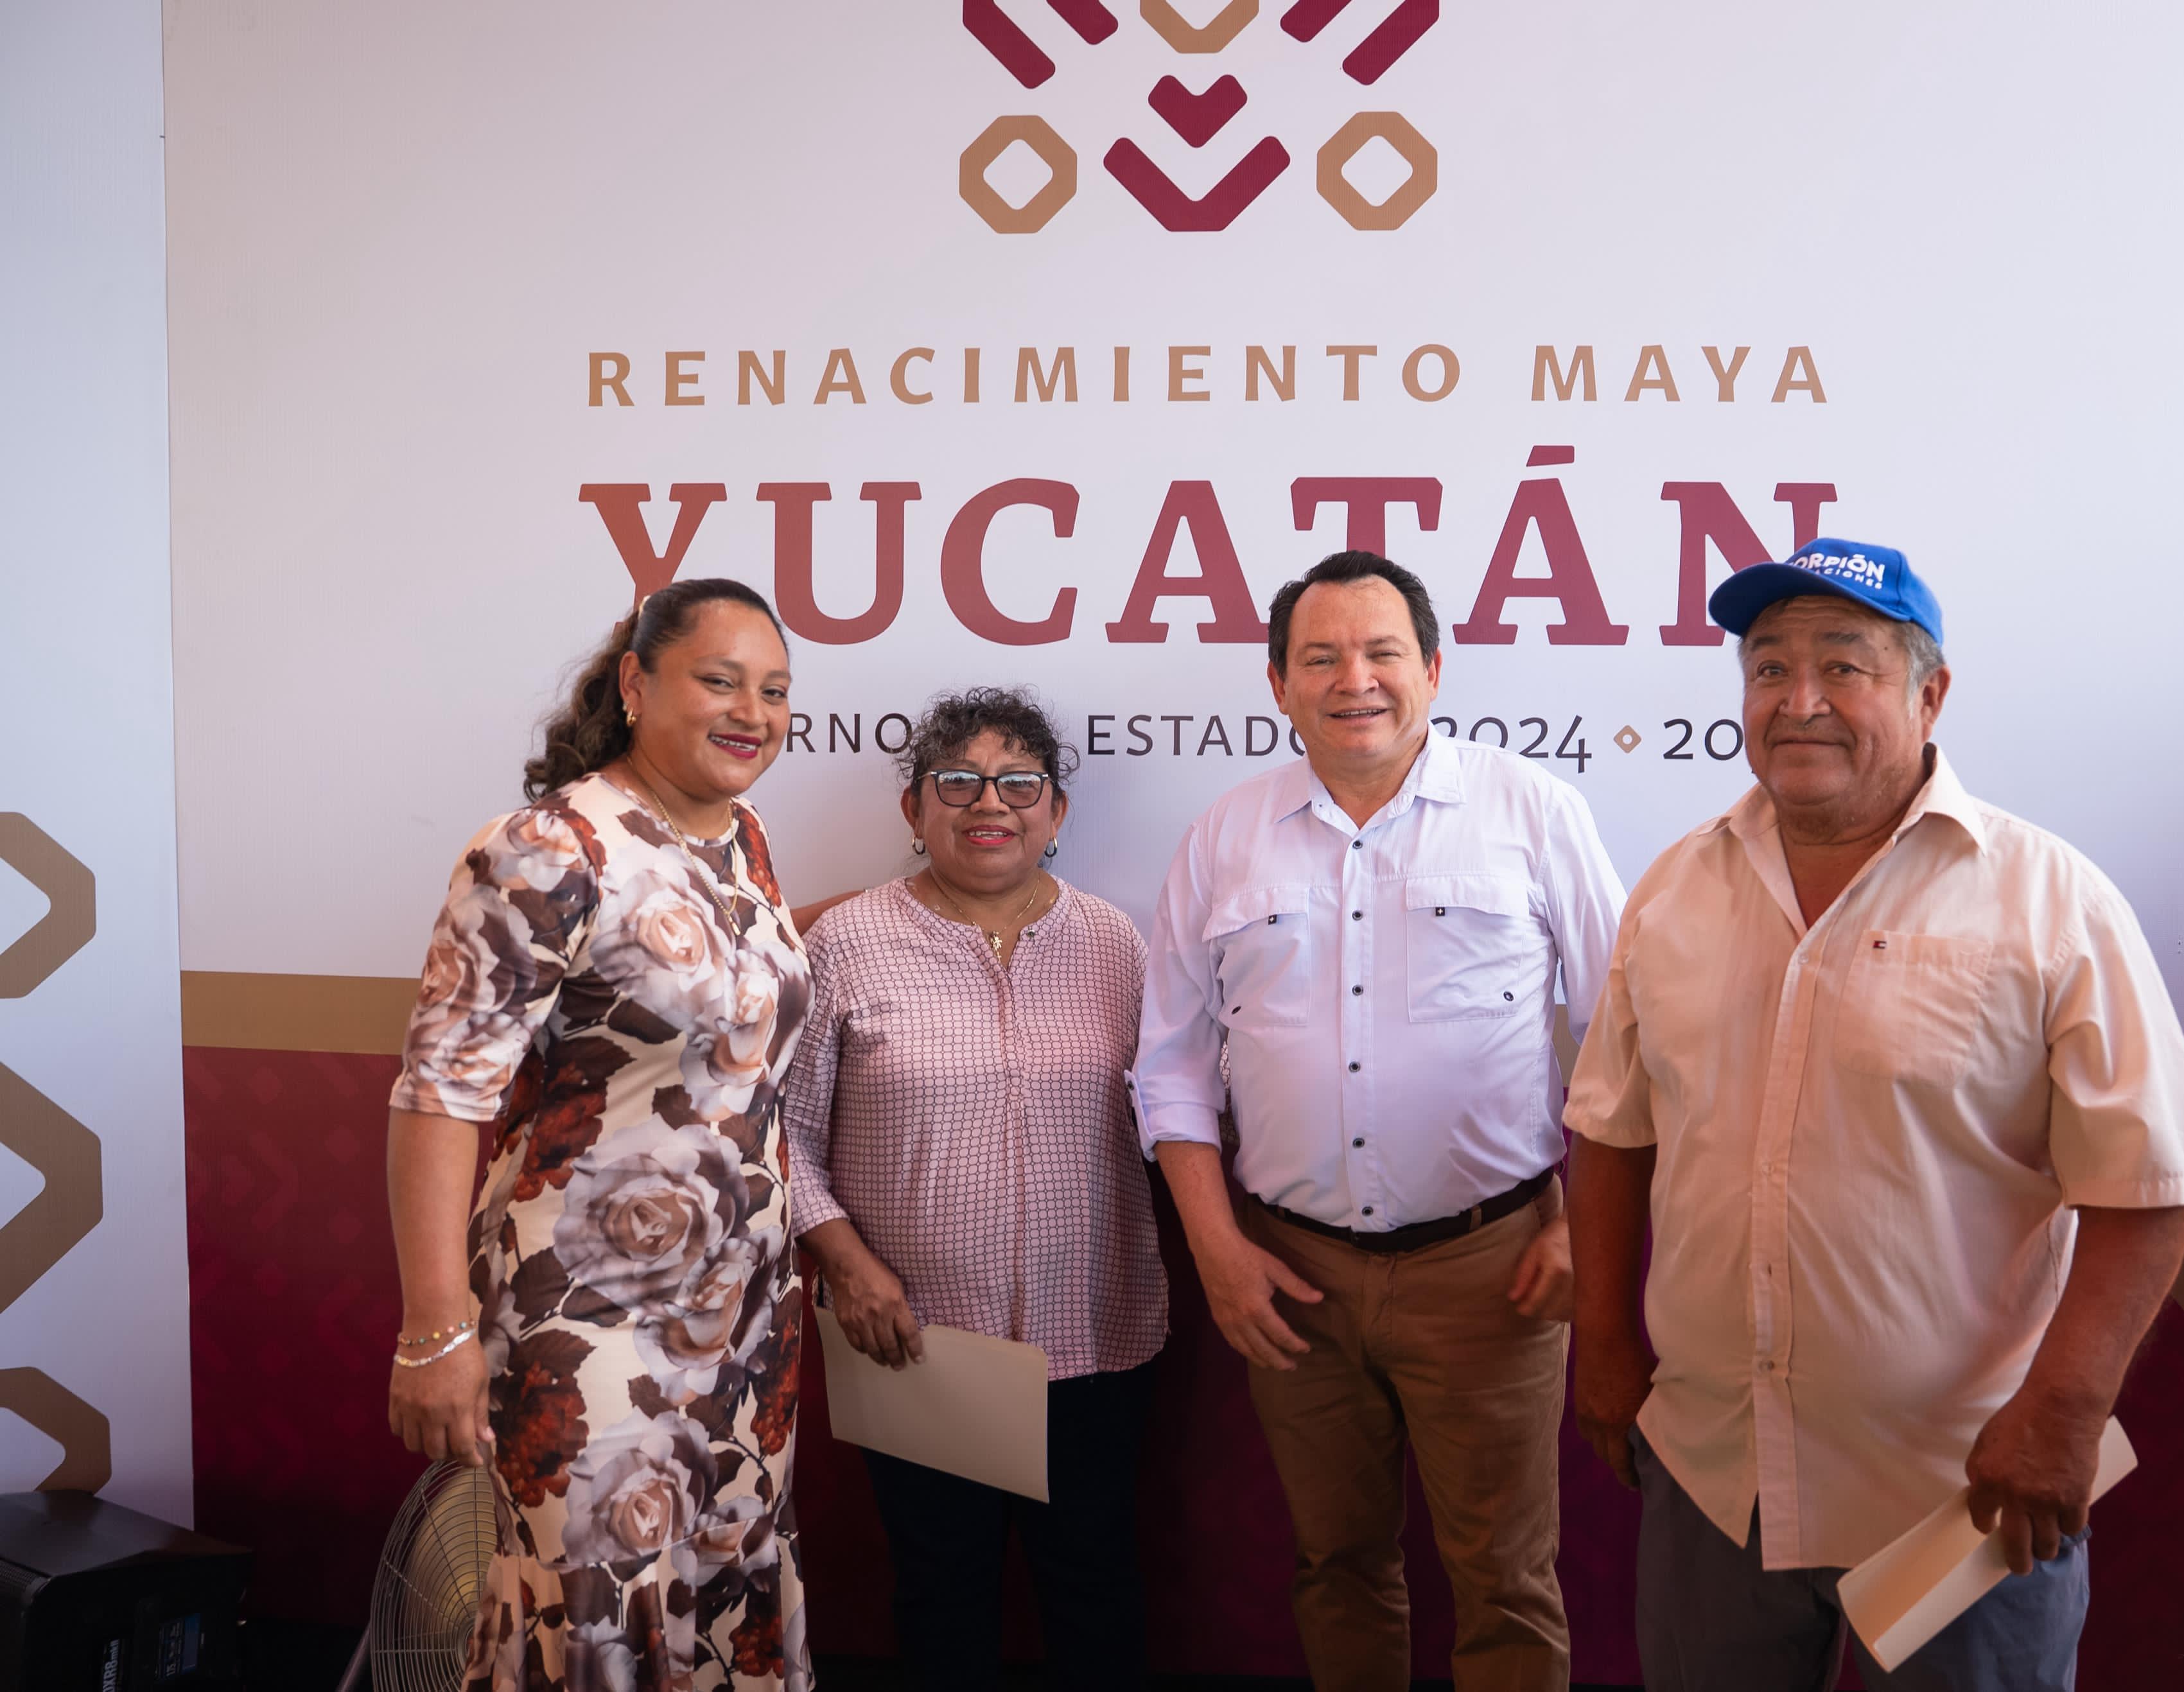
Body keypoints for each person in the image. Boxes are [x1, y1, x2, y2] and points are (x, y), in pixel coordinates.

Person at [1564, 539, 2184, 1692]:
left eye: (1845, 665)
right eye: (1769, 668)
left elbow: (2149, 1184)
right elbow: (1611, 1131)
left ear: (1931, 696)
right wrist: (1607, 1343)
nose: (1800, 700)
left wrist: (2063, 1411)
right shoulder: (1673, 889)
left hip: (1964, 1485)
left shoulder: (2049, 899)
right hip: (1715, 1469)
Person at [1133, 550, 1624, 1692]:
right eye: (1320, 657)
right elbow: (1170, 1068)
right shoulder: (1223, 838)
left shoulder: (1532, 811)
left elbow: (1624, 1040)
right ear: (1278, 682)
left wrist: (1582, 1232)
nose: (1354, 679)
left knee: (1506, 1580)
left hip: (1493, 1271)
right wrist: (1218, 1252)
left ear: (1434, 669)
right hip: (1291, 1274)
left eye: (1382, 651)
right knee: (1337, 1564)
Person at [385, 579, 816, 1691]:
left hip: (745, 1317)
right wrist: (434, 1329)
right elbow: (442, 1094)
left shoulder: (743, 836)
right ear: (636, 682)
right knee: (599, 1611)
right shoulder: (546, 847)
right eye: (720, 681)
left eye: (774, 691)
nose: (753, 713)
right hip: (590, 1318)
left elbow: (718, 1027)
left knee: (720, 1586)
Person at [785, 687, 1169, 1692]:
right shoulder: (846, 942)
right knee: (941, 1590)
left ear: (1056, 810)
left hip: (1094, 1333)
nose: (988, 801)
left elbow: (1171, 1114)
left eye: (1017, 782)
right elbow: (783, 1134)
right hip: (916, 1338)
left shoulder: (1115, 942)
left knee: (1094, 1584)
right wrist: (847, 1264)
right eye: (956, 780)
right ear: (914, 808)